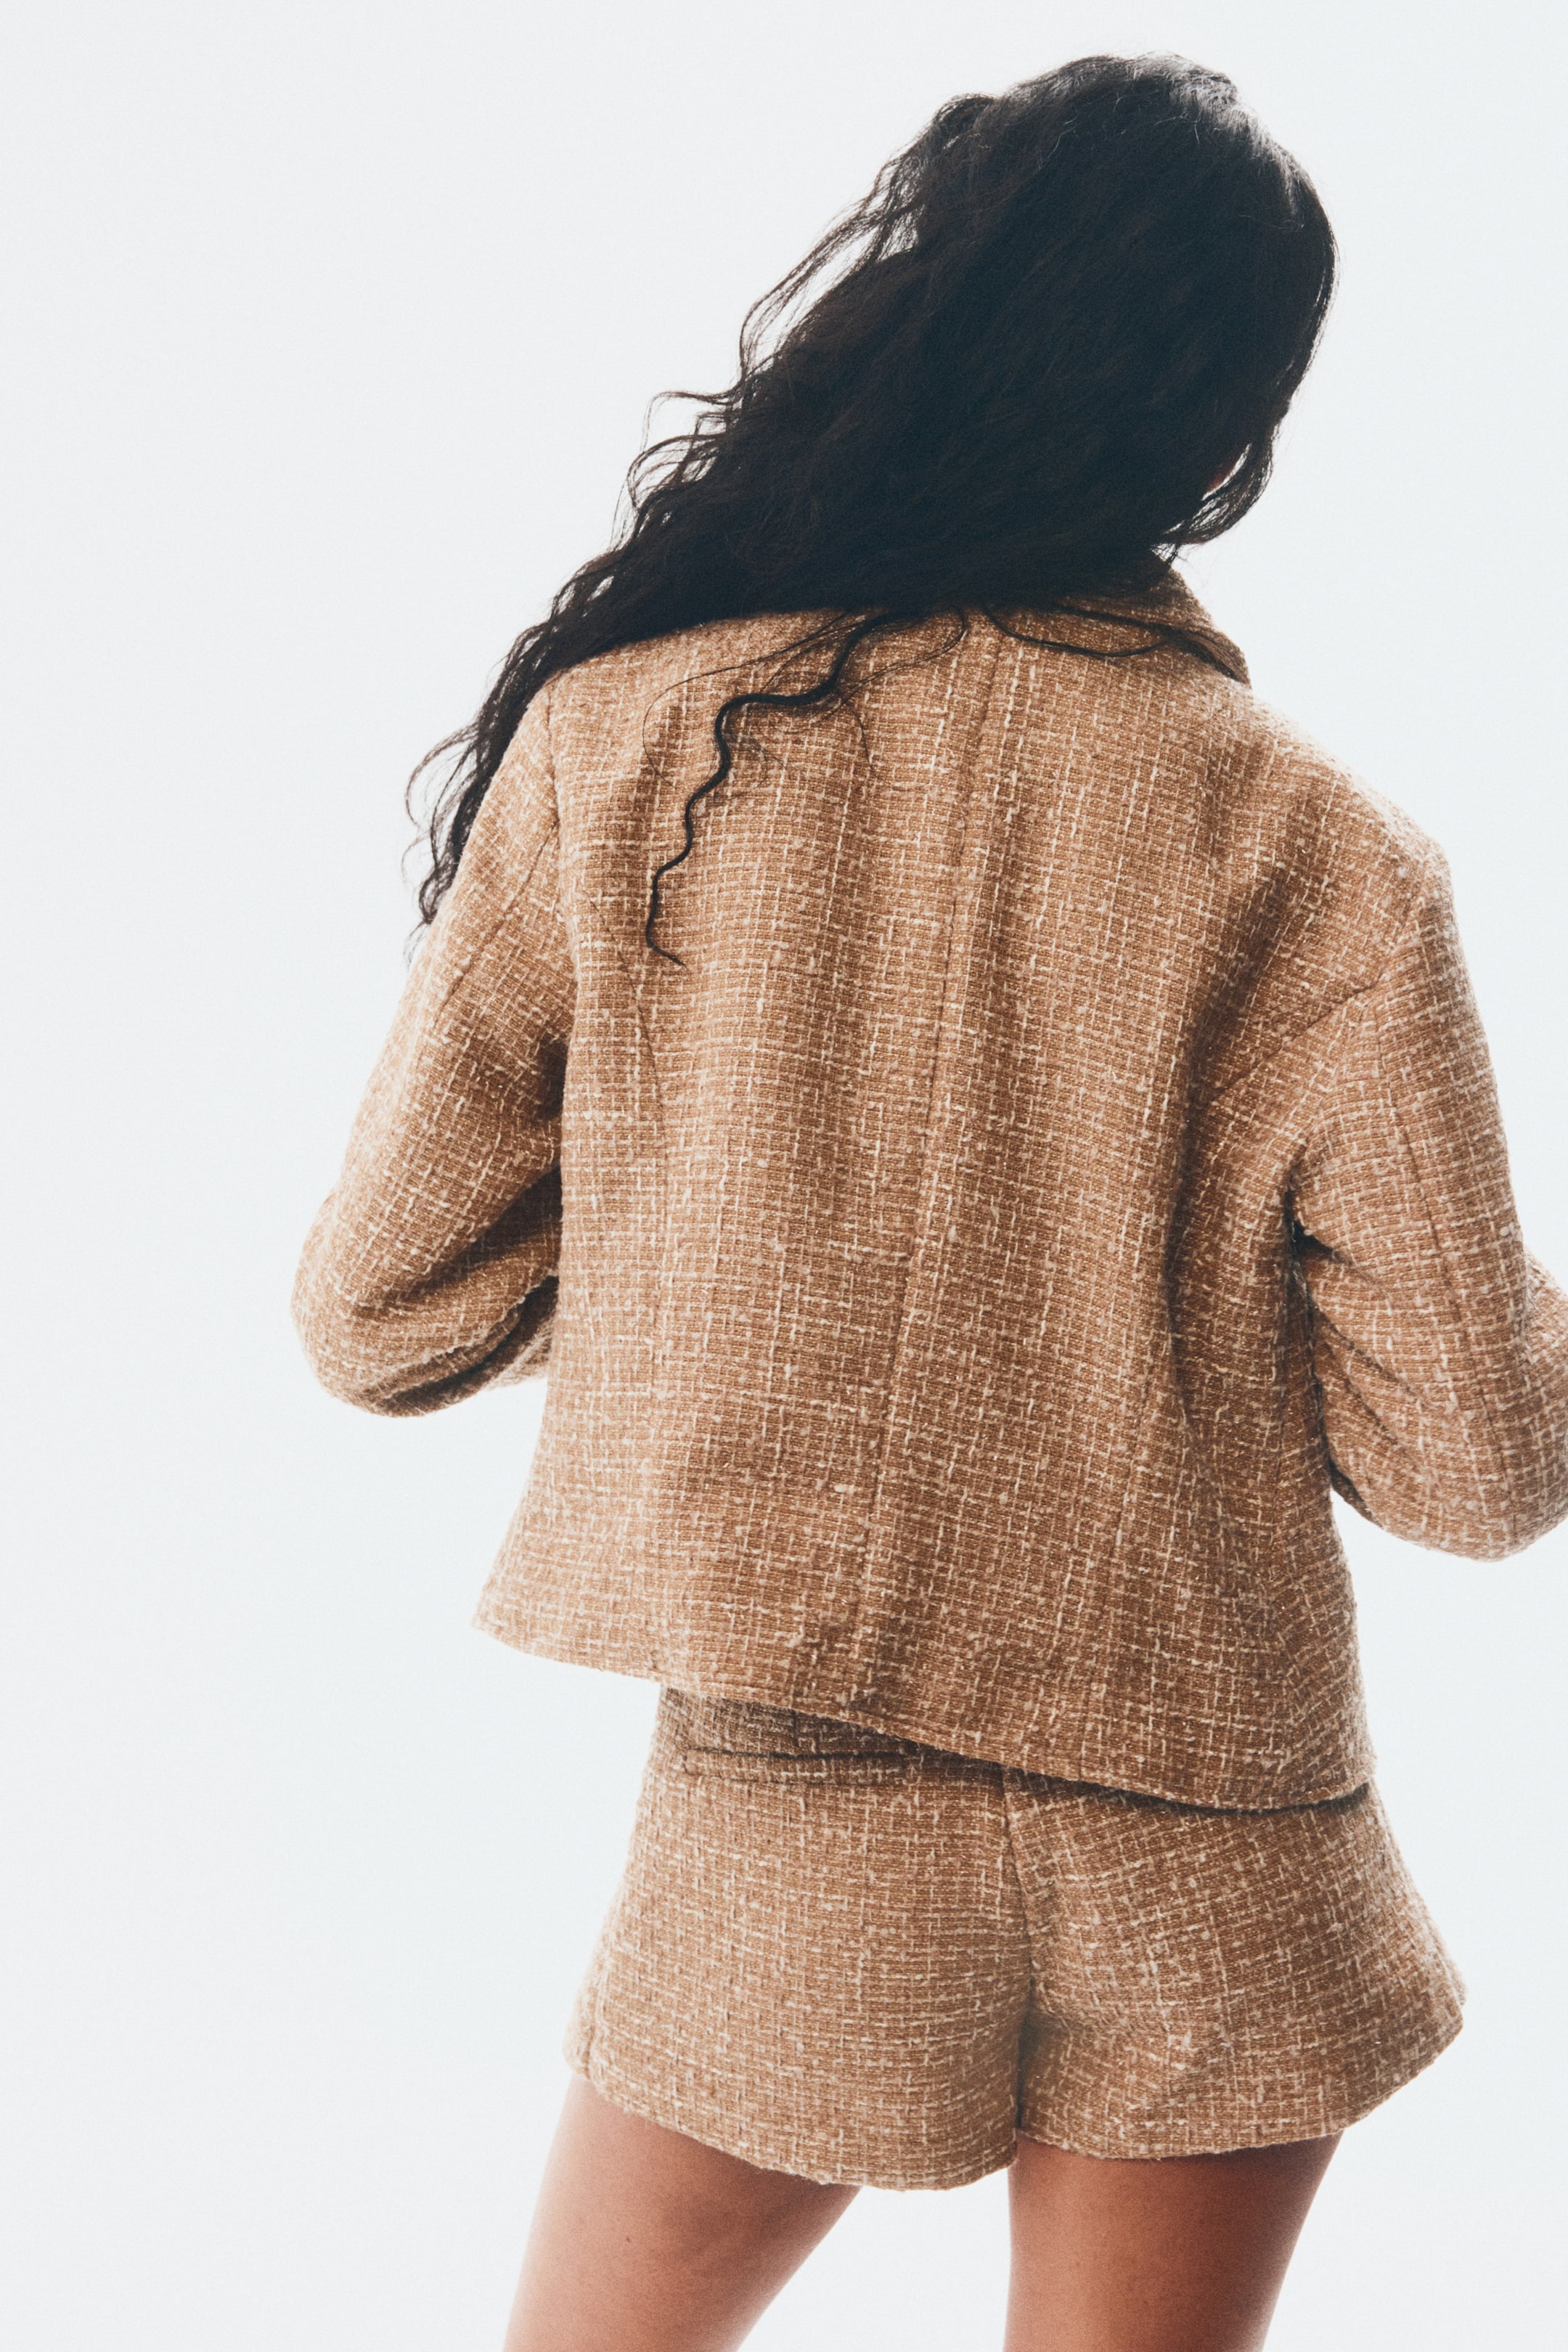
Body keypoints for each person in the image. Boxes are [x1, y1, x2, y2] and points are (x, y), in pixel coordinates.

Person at [292, 52, 1568, 2352]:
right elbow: (1481, 1469)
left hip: (790, 1827)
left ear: (925, 301)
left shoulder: (633, 745)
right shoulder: (1331, 859)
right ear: (1231, 425)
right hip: (1222, 1853)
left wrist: (713, 1243)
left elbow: (379, 1313)